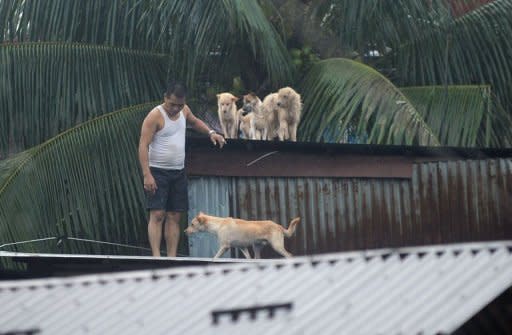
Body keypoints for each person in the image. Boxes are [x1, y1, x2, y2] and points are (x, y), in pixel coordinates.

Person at [138, 81, 225, 257]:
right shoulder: (155, 116)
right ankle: (156, 256)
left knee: (174, 216)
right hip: (157, 171)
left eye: (180, 105)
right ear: (165, 98)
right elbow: (142, 145)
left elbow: (195, 121)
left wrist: (211, 133)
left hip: (178, 171)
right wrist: (147, 174)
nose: (176, 109)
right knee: (158, 214)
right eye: (172, 105)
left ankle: (171, 257)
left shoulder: (184, 110)